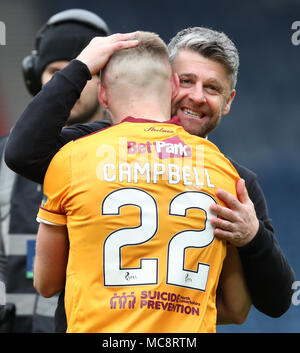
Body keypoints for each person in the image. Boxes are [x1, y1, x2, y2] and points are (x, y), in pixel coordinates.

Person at [4, 26, 295, 327]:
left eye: (212, 88)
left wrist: (253, 238)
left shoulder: (236, 182)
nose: (196, 96)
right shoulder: (91, 144)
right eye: (186, 81)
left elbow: (277, 301)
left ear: (229, 100)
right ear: (166, 82)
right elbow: (21, 153)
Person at [0, 8, 110, 332]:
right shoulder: (3, 158)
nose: (70, 84)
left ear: (105, 82)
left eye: (83, 72)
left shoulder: (128, 159)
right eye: (57, 72)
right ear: (36, 77)